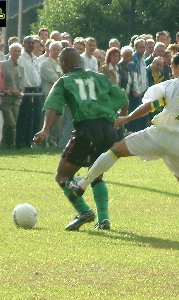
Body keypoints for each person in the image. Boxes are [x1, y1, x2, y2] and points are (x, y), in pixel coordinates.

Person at [67, 51, 179, 236]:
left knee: (116, 151)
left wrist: (127, 118)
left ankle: (82, 184)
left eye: (173, 68)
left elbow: (150, 105)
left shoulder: (171, 85)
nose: (172, 71)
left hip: (160, 135)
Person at [33, 47, 128, 231]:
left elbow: (53, 107)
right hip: (108, 130)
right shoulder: (100, 77)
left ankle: (84, 211)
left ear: (64, 63)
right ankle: (104, 220)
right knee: (96, 174)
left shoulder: (64, 80)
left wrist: (45, 130)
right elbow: (123, 99)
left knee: (62, 175)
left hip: (87, 130)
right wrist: (120, 122)